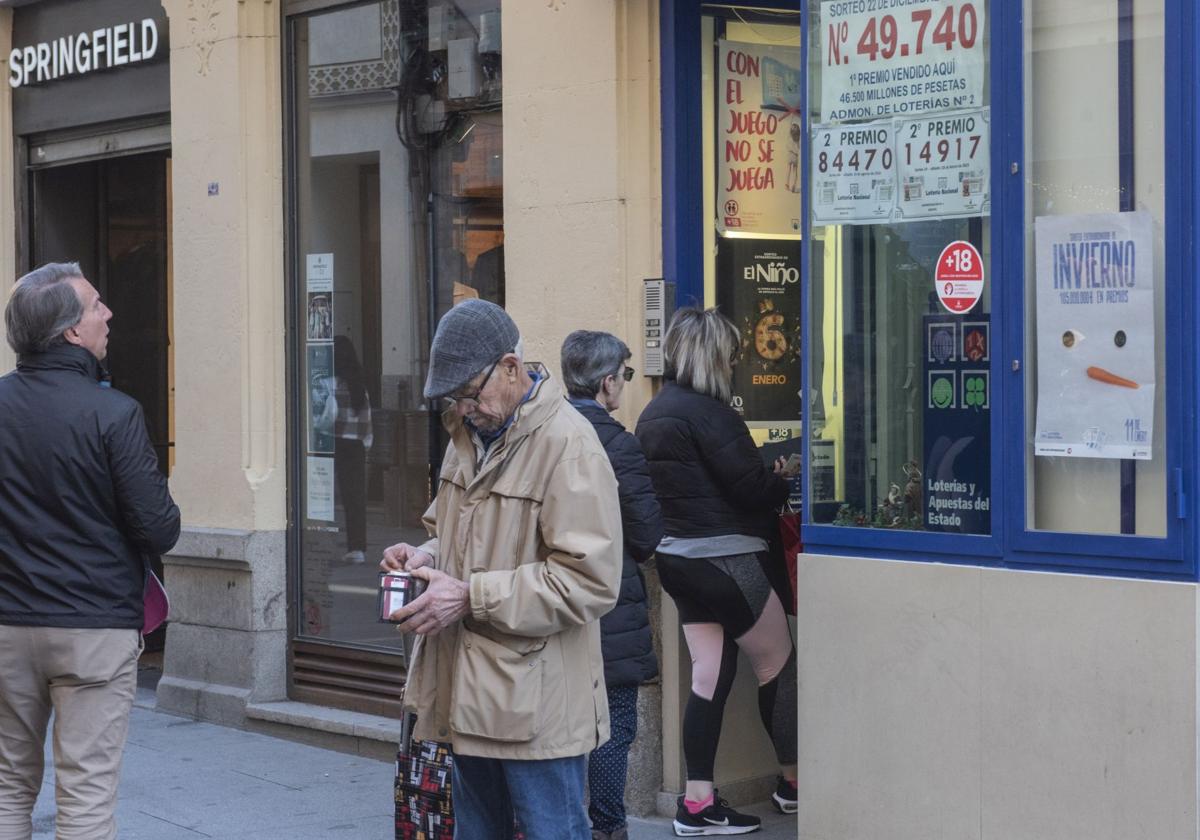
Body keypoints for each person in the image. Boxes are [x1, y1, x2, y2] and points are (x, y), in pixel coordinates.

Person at [381, 299, 622, 840]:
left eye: (471, 393)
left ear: (511, 368)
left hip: (536, 707)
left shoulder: (569, 446)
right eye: (455, 398)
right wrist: (425, 557)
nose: (465, 408)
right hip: (467, 694)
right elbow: (458, 533)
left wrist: (469, 597)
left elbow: (589, 581)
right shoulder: (467, 435)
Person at [0, 262, 181, 840]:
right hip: (94, 629)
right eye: (96, 304)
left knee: (7, 787)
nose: (109, 313)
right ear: (71, 333)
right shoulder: (114, 413)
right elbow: (159, 529)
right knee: (86, 797)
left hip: (6, 625)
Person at [635, 307, 799, 836]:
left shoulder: (654, 412)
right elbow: (748, 490)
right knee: (778, 665)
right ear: (713, 356)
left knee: (709, 676)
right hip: (727, 559)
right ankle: (794, 784)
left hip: (678, 563)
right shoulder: (713, 414)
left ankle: (698, 803)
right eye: (730, 354)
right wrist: (782, 477)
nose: (735, 361)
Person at [561, 331, 663, 840]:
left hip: (551, 602)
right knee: (613, 723)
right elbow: (646, 538)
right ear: (607, 383)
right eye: (624, 375)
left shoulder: (542, 435)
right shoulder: (618, 445)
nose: (624, 383)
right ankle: (608, 828)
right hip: (610, 605)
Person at [325, 335, 373, 564]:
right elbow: (367, 418)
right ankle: (358, 547)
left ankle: (320, 543)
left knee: (322, 497)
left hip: (331, 441)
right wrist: (366, 442)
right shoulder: (358, 384)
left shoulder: (328, 383)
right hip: (355, 444)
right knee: (354, 498)